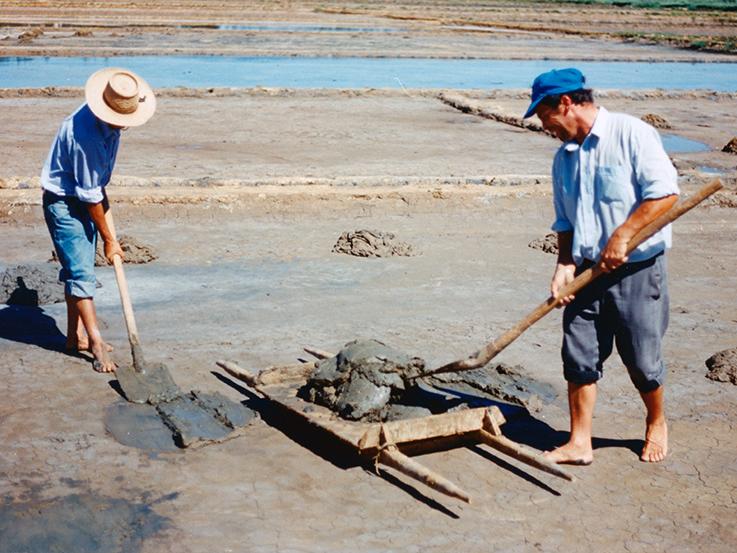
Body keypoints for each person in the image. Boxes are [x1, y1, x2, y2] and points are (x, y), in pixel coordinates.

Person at [523, 68, 679, 464]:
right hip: (587, 271)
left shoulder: (631, 134)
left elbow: (665, 195)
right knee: (578, 356)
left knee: (643, 360)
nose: (545, 127)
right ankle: (579, 442)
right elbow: (566, 222)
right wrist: (564, 263)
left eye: (544, 116)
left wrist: (624, 234)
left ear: (566, 103)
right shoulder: (563, 160)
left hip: (637, 271)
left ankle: (656, 420)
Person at [41, 67, 156, 372]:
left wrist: (103, 213)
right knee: (81, 273)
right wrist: (110, 240)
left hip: (84, 195)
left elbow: (95, 188)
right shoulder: (87, 135)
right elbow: (89, 192)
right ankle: (94, 342)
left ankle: (72, 336)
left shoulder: (109, 124)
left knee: (78, 268)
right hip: (64, 203)